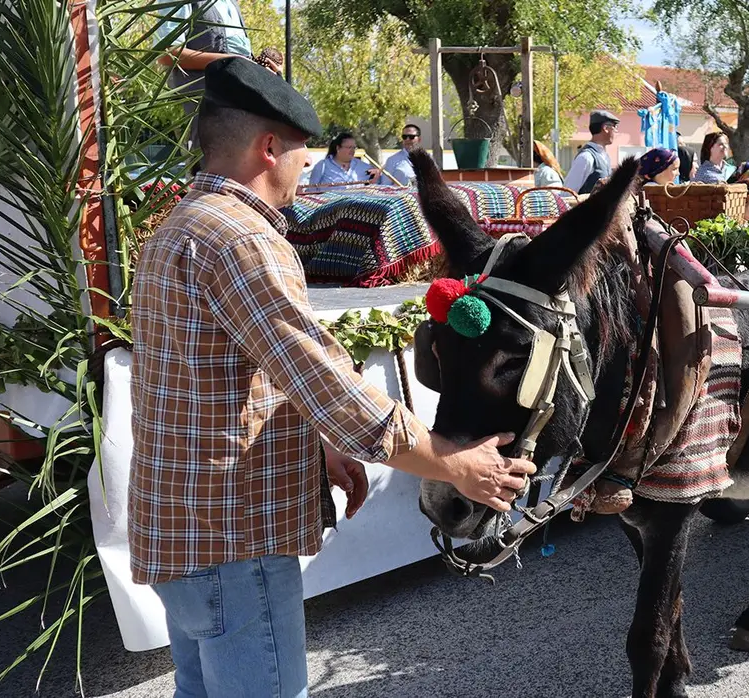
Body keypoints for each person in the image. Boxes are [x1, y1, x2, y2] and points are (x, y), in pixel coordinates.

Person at [129, 58, 537, 697]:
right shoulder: (242, 240)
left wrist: (318, 444)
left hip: (187, 534)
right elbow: (326, 381)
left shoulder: (177, 228)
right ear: (269, 148)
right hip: (235, 542)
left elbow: (219, 377)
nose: (303, 168)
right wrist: (454, 465)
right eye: (300, 153)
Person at [156, 0, 279, 158]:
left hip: (244, 109)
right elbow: (167, 53)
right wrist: (232, 61)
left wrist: (259, 69)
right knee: (214, 169)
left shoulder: (231, 3)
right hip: (210, 113)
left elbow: (239, 55)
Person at [564, 110, 619, 194]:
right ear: (605, 128)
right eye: (614, 127)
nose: (615, 131)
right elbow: (568, 193)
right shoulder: (586, 157)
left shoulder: (604, 156)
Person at [307, 132, 373, 188]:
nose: (352, 151)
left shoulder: (364, 167)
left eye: (354, 148)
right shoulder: (322, 166)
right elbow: (311, 190)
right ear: (338, 148)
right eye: (349, 147)